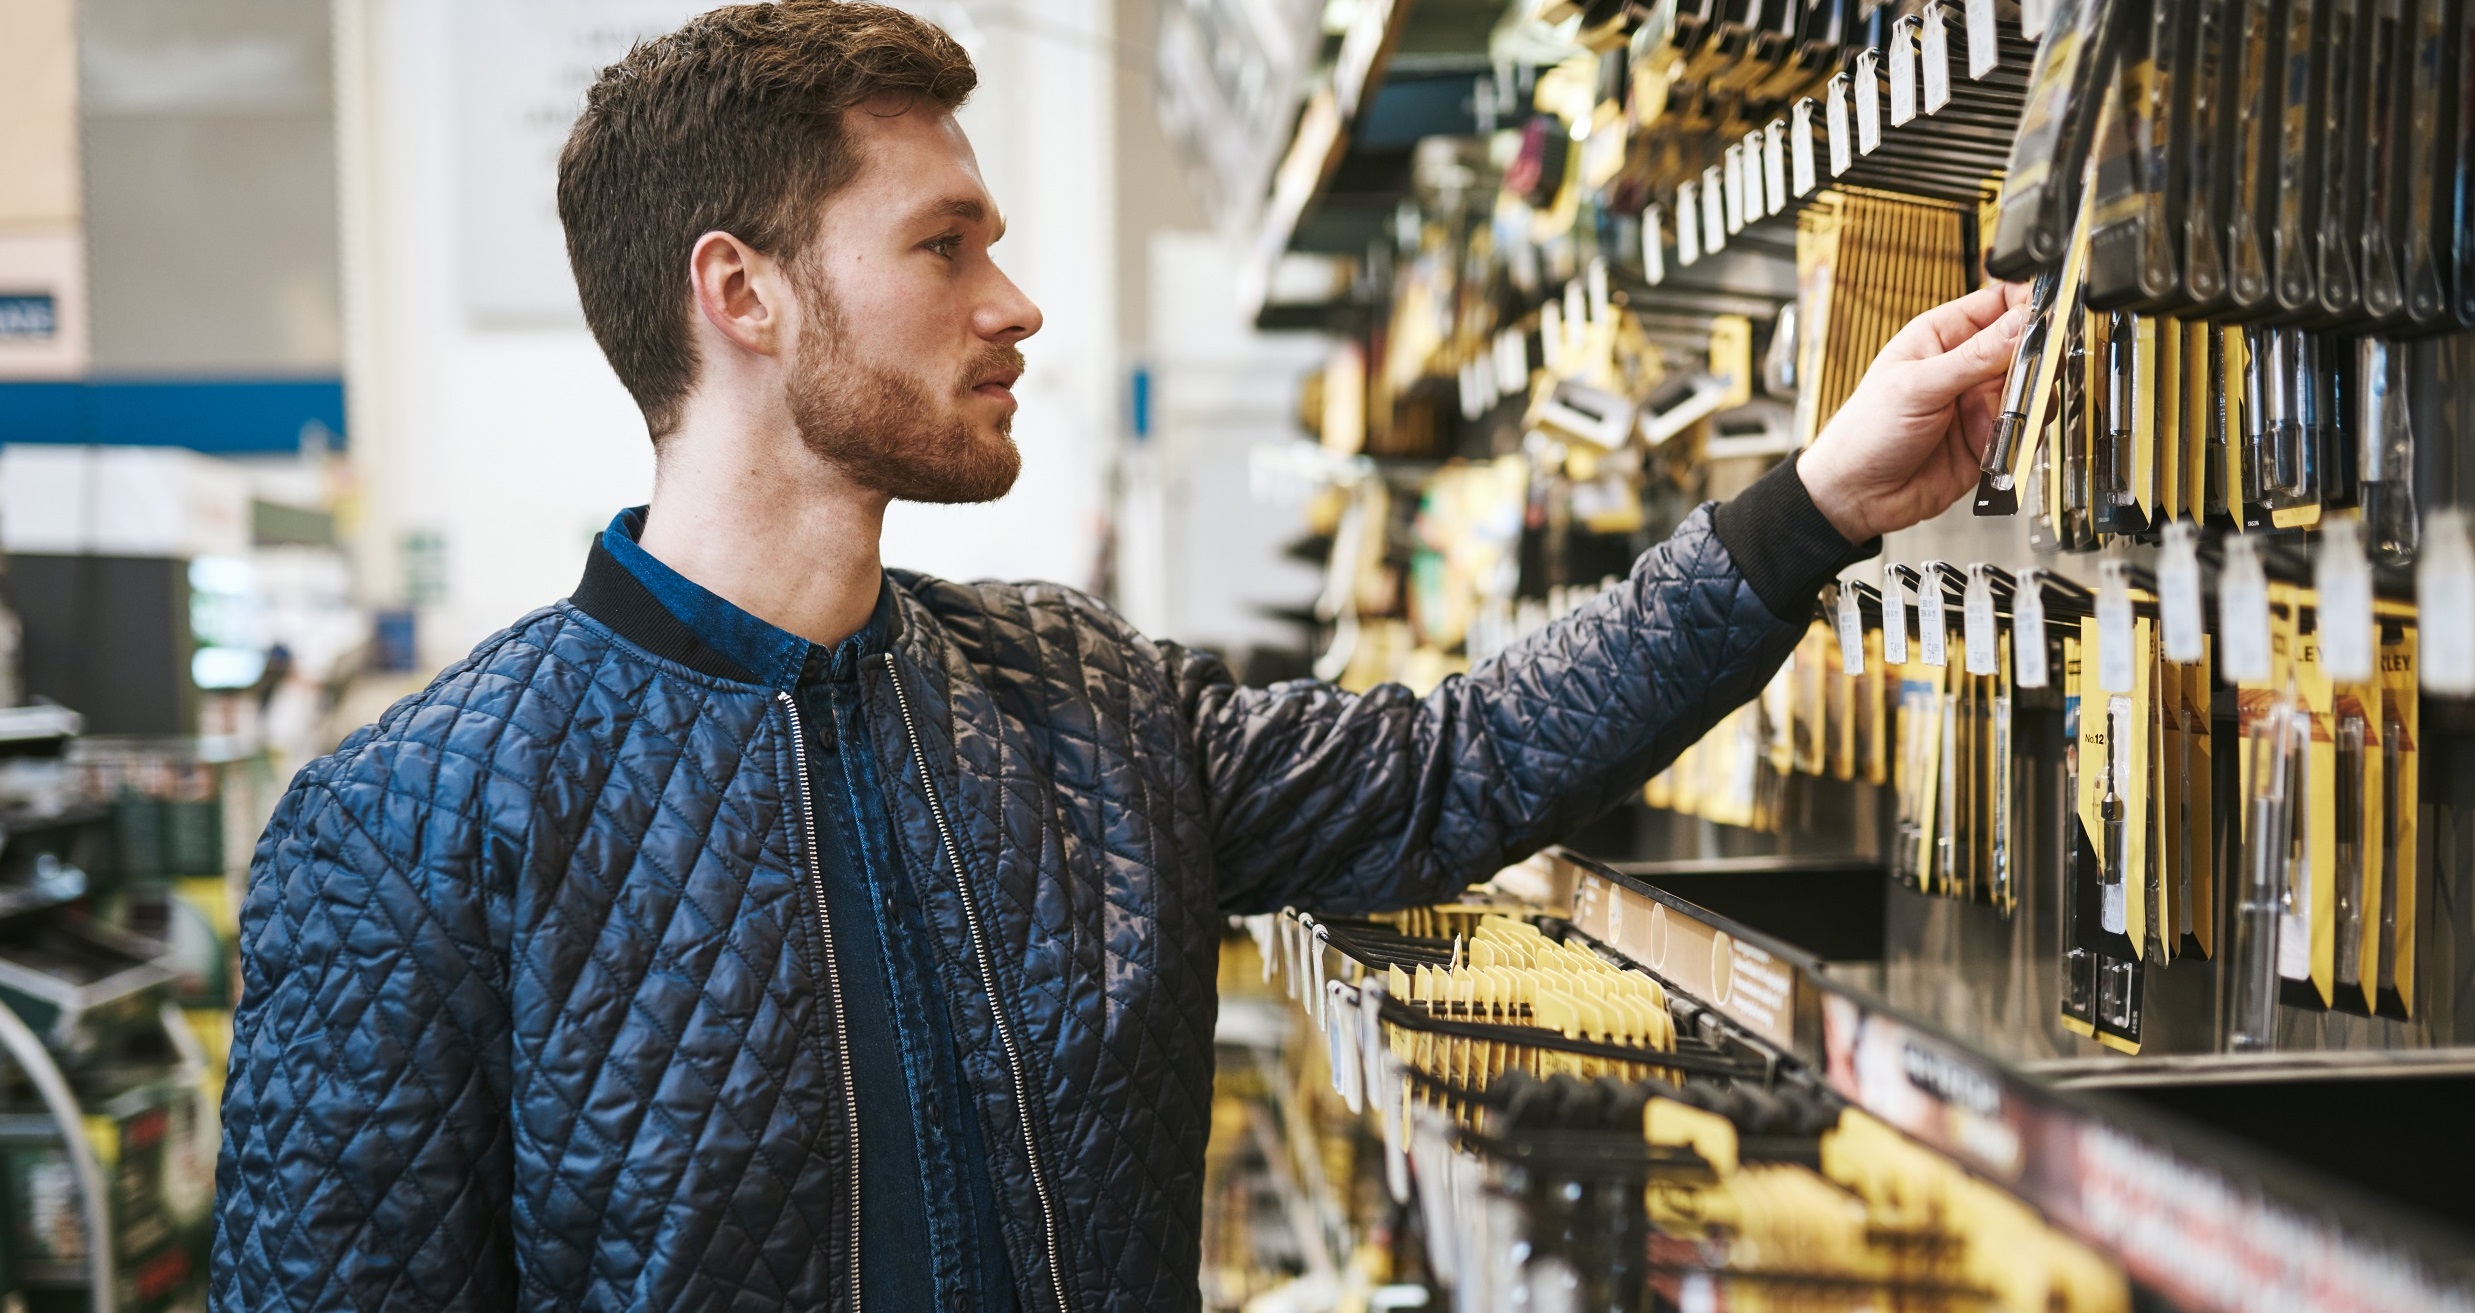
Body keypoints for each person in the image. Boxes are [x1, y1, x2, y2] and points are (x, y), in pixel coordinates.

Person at [207, 4, 2032, 1310]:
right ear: (741, 294)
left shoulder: (1078, 700)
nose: (1018, 303)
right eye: (947, 245)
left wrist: (1815, 505)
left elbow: (1457, 762)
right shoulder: (409, 828)